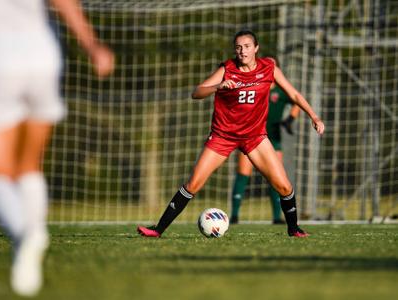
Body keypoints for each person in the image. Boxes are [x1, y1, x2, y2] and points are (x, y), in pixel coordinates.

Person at [0, 0, 114, 297]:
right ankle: (33, 230)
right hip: (43, 61)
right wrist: (92, 45)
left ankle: (27, 234)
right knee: (29, 164)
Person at [137, 29, 324, 239]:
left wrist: (314, 117)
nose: (242, 51)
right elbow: (197, 92)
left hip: (254, 136)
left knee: (284, 185)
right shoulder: (227, 68)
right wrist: (218, 86)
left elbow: (294, 94)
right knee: (193, 184)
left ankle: (294, 229)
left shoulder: (269, 68)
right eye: (238, 47)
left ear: (256, 49)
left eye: (246, 47)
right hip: (222, 136)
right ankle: (157, 229)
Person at [230, 58, 300, 225]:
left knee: (276, 178)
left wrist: (290, 119)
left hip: (273, 140)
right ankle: (234, 216)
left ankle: (277, 217)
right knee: (243, 174)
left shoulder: (282, 92)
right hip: (249, 137)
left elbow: (297, 102)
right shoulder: (255, 85)